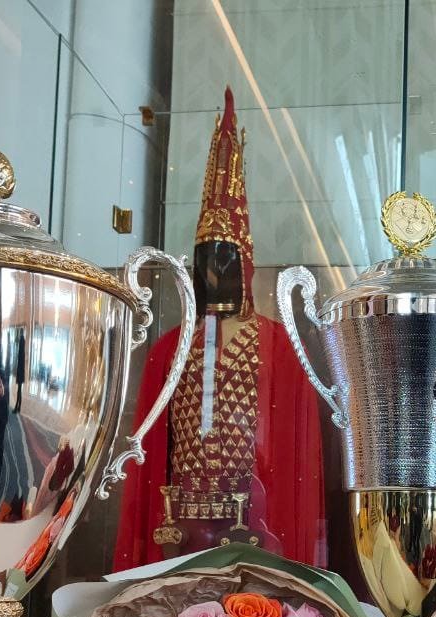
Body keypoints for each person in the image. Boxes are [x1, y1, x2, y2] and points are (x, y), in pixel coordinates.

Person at [113, 88, 325, 570]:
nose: (215, 271)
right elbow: (150, 451)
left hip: (257, 517)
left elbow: (296, 454)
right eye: (205, 259)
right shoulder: (172, 346)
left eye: (226, 257)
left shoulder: (279, 345)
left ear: (245, 262)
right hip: (181, 521)